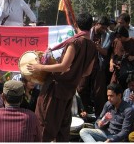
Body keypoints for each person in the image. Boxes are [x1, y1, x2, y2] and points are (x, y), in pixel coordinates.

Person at [26, 12, 97, 142]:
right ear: (91, 26)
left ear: (76, 24)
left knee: (43, 125)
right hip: (69, 92)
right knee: (62, 129)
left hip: (55, 90)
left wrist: (39, 67)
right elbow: (87, 72)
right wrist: (74, 73)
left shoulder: (75, 42)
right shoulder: (93, 46)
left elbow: (64, 67)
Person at [77, 16, 112, 117]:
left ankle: (99, 116)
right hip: (85, 66)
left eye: (105, 28)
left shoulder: (107, 36)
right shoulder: (86, 33)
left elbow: (106, 52)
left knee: (99, 93)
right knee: (82, 89)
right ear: (96, 24)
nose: (103, 30)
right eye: (102, 27)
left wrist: (98, 48)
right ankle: (83, 113)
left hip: (98, 67)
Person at [109, 25, 134, 90]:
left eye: (120, 37)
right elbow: (113, 54)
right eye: (117, 37)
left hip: (132, 72)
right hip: (118, 71)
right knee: (113, 88)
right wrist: (111, 63)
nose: (119, 39)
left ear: (124, 35)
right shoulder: (116, 41)